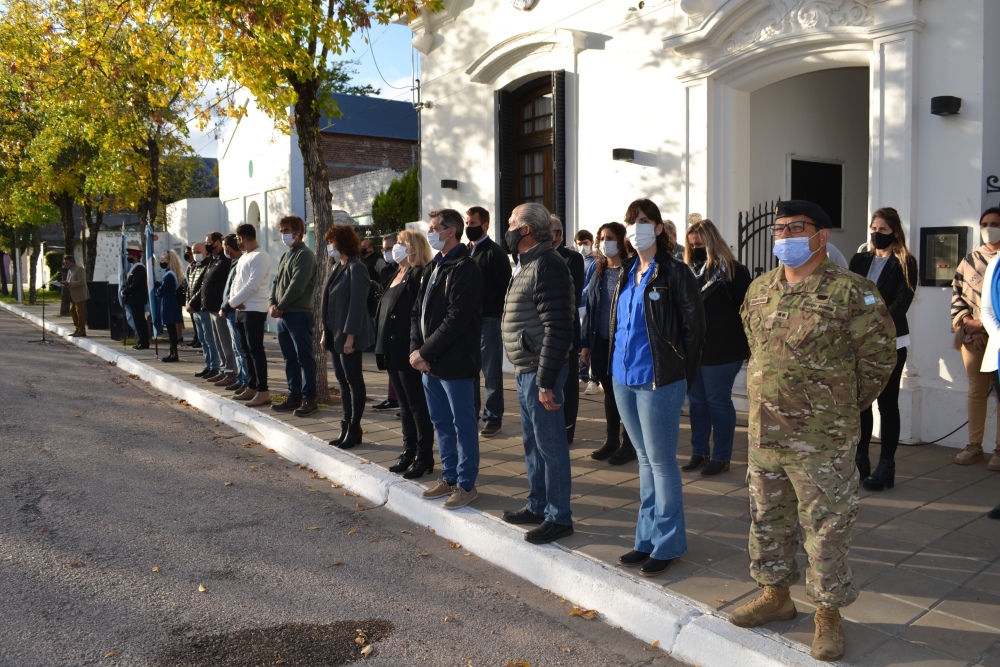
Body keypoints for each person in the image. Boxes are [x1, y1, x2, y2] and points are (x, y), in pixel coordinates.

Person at [733, 200, 895, 662]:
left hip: (821, 438)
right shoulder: (761, 289)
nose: (784, 236)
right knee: (767, 518)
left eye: (795, 228)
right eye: (779, 229)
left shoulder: (852, 293)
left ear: (821, 236)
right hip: (765, 434)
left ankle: (828, 613)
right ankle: (775, 596)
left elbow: (880, 359)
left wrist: (837, 407)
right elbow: (756, 346)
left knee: (826, 527)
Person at [610, 199, 704, 578]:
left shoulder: (675, 273)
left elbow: (694, 332)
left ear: (660, 228)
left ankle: (668, 544)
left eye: (644, 221)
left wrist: (682, 374)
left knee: (662, 463)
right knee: (644, 461)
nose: (636, 228)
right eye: (632, 222)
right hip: (623, 377)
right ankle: (646, 538)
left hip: (659, 379)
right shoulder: (627, 271)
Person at [501, 203, 576, 544]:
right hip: (526, 367)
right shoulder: (526, 264)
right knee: (533, 444)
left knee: (550, 446)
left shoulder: (548, 264)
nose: (508, 225)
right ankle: (538, 503)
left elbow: (558, 326)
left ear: (527, 230)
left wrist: (546, 380)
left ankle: (559, 516)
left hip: (540, 370)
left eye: (512, 222)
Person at [410, 208, 484, 510]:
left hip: (455, 362)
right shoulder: (434, 266)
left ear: (450, 231)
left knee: (463, 424)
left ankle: (466, 484)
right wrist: (418, 351)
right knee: (440, 422)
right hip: (430, 364)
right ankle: (449, 476)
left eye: (434, 227)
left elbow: (457, 319)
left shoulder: (465, 268)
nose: (430, 232)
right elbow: (418, 312)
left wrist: (425, 352)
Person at [849, 207, 919, 490]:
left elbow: (902, 303)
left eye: (883, 230)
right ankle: (860, 459)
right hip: (858, 343)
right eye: (874, 228)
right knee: (861, 403)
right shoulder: (859, 259)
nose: (876, 234)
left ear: (895, 232)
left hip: (890, 341)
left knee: (887, 403)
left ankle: (886, 465)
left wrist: (873, 324)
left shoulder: (905, 263)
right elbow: (849, 295)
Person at [682, 219, 752, 477]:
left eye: (700, 243)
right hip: (694, 349)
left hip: (723, 349)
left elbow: (748, 311)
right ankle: (699, 452)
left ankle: (722, 457)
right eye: (692, 245)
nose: (696, 248)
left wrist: (748, 347)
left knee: (717, 401)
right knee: (697, 403)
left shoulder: (733, 271)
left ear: (712, 242)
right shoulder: (687, 272)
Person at [375, 230, 435, 478]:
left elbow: (417, 314)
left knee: (416, 406)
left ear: (413, 247)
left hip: (406, 348)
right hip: (390, 348)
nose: (394, 248)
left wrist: (417, 348)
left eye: (400, 244)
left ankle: (424, 457)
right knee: (405, 406)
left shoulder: (418, 274)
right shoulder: (395, 274)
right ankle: (408, 452)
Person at [582, 222, 635, 465]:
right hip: (600, 341)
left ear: (623, 240)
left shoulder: (632, 269)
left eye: (610, 237)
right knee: (610, 393)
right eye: (601, 237)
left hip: (623, 343)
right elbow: (591, 309)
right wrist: (586, 344)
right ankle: (612, 439)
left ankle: (630, 443)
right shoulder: (599, 270)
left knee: (626, 395)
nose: (605, 242)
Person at [952, 207, 1000, 468]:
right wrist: (969, 324)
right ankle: (974, 445)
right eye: (985, 223)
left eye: (995, 223)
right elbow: (957, 294)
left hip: (998, 336)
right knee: (976, 391)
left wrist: (988, 326)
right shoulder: (969, 260)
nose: (989, 227)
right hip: (973, 337)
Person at [321, 225, 374, 448]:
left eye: (331, 241)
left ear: (341, 242)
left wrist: (350, 337)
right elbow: (328, 303)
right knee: (342, 382)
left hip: (348, 335)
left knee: (353, 381)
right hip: (335, 334)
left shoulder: (356, 267)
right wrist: (326, 332)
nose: (329, 246)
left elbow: (357, 305)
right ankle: (345, 426)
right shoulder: (337, 266)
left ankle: (355, 428)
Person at [467, 206, 512, 438]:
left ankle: (493, 417)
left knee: (491, 373)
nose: (468, 227)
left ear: (485, 225)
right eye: (466, 223)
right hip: (467, 322)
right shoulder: (465, 251)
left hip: (489, 321)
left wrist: (501, 316)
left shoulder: (495, 253)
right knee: (469, 371)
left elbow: (506, 287)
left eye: (473, 223)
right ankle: (471, 413)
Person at [269, 216, 319, 417]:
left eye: (286, 230)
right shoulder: (286, 255)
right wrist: (272, 304)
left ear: (298, 232)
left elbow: (297, 285)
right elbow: (276, 283)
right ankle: (294, 395)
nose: (283, 234)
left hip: (299, 314)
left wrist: (280, 305)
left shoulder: (305, 255)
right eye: (281, 230)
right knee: (290, 358)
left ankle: (309, 398)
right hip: (284, 316)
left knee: (304, 358)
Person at [227, 224, 273, 407]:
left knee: (256, 351)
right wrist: (232, 301)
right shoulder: (245, 256)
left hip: (254, 309)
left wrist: (235, 301)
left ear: (242, 238)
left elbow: (253, 284)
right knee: (246, 350)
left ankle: (263, 391)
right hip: (240, 309)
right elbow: (236, 281)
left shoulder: (260, 256)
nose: (237, 242)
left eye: (238, 239)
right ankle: (252, 386)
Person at [551, 215, 584, 444]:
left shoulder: (573, 258)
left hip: (567, 330)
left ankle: (568, 429)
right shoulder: (531, 256)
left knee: (569, 385)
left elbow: (573, 292)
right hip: (542, 332)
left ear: (559, 235)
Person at [200, 232, 234, 385]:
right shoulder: (212, 260)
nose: (207, 244)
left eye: (209, 242)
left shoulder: (225, 261)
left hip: (221, 308)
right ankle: (223, 369)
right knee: (217, 342)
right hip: (211, 308)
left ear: (218, 242)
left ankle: (231, 372)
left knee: (226, 342)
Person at [217, 235, 249, 393]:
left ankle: (245, 380)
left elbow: (233, 290)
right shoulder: (235, 263)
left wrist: (224, 306)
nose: (224, 250)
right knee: (237, 348)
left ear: (228, 247)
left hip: (233, 310)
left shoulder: (239, 263)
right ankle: (242, 379)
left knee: (240, 348)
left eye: (224, 246)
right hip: (230, 309)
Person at [373, 232, 400, 413]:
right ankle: (393, 398)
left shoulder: (408, 269)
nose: (386, 253)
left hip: (399, 323)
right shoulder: (386, 270)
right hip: (385, 320)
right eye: (384, 249)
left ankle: (403, 400)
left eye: (390, 248)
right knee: (390, 363)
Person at [185, 242, 219, 378]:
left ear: (205, 252)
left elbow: (202, 289)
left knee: (210, 339)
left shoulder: (208, 265)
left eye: (198, 251)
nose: (195, 254)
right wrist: (188, 303)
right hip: (194, 309)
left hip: (203, 307)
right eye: (194, 252)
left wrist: (192, 303)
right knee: (202, 339)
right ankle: (208, 365)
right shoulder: (193, 267)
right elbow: (189, 288)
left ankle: (215, 366)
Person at [575, 229, 599, 395]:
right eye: (580, 243)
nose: (583, 246)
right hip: (577, 306)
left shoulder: (595, 262)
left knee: (589, 342)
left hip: (586, 306)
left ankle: (593, 379)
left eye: (586, 243)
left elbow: (590, 286)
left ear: (591, 242)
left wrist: (574, 297)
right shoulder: (578, 260)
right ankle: (582, 375)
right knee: (580, 342)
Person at [156, 250, 184, 362]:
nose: (162, 262)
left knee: (171, 330)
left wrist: (156, 288)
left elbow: (162, 291)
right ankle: (172, 352)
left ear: (168, 261)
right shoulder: (170, 273)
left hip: (168, 302)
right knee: (170, 329)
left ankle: (173, 353)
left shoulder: (169, 275)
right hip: (168, 301)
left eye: (163, 260)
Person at [122, 245, 150, 350]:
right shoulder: (134, 268)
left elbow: (136, 284)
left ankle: (144, 342)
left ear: (135, 256)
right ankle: (141, 340)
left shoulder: (139, 268)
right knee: (137, 321)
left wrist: (125, 290)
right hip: (133, 300)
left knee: (140, 321)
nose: (128, 256)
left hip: (137, 299)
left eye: (130, 255)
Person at [61, 255, 89, 337]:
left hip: (79, 295)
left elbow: (82, 282)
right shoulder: (70, 271)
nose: (65, 265)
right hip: (72, 295)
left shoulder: (79, 269)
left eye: (67, 263)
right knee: (73, 312)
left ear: (72, 262)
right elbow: (70, 281)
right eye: (64, 263)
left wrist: (69, 283)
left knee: (80, 313)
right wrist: (65, 283)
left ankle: (82, 330)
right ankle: (77, 329)